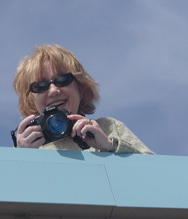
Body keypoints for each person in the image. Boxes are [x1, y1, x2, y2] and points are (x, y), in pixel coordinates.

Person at [12, 44, 154, 154]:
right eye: (40, 86)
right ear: (31, 100)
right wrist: (22, 158)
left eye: (62, 80)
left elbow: (156, 172)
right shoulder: (29, 147)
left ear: (80, 89)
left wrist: (110, 146)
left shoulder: (109, 127)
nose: (54, 90)